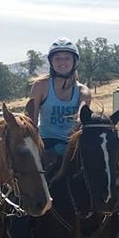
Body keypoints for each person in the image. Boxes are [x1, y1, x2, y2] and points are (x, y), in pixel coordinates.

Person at [28, 37, 91, 176]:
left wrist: (67, 146)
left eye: (67, 58)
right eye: (57, 58)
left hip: (71, 146)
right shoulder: (40, 86)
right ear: (51, 62)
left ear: (74, 61)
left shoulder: (83, 91)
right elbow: (30, 120)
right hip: (44, 144)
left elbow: (82, 116)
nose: (62, 62)